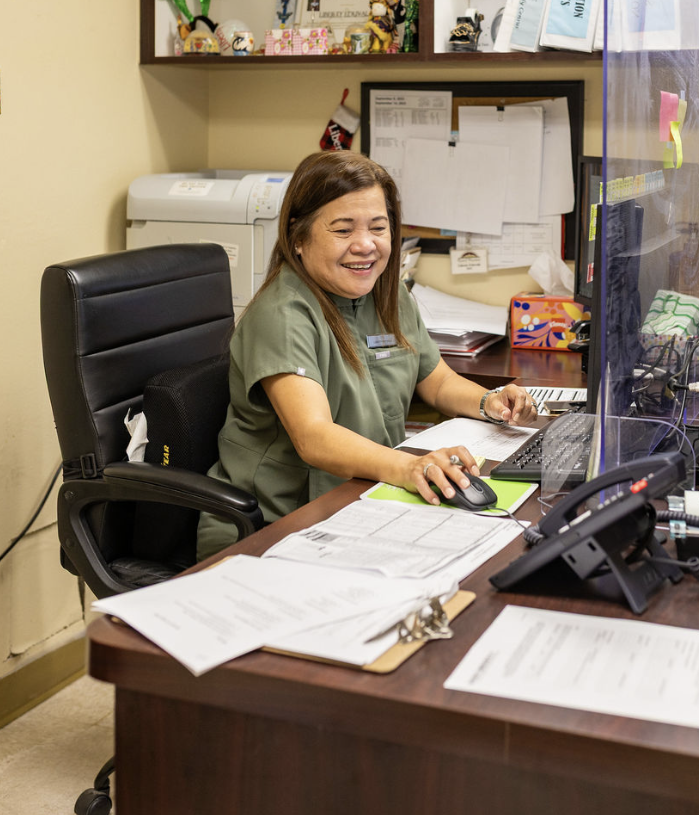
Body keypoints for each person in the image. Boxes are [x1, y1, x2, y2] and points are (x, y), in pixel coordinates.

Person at [196, 150, 537, 559]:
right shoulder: (283, 314)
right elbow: (313, 436)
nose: (365, 245)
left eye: (378, 227)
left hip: (362, 499)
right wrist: (410, 467)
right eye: (343, 230)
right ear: (298, 238)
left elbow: (436, 380)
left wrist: (490, 402)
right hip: (275, 527)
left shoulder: (388, 295)